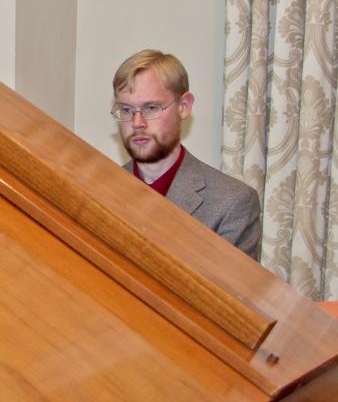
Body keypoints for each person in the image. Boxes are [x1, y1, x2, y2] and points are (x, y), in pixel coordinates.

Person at [111, 49, 261, 260]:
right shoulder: (101, 190)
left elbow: (228, 293)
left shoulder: (233, 202)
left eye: (151, 108)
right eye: (126, 110)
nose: (137, 123)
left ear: (183, 107)